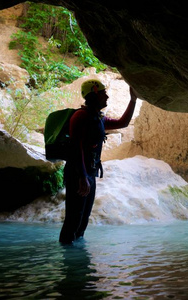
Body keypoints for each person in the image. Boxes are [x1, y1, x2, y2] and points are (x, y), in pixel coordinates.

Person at [59, 79, 137, 244]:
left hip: (89, 174)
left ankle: (78, 258)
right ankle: (67, 260)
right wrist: (82, 177)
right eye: (103, 93)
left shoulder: (98, 118)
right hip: (78, 173)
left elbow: (123, 123)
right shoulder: (80, 116)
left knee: (84, 218)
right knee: (74, 217)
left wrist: (133, 100)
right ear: (94, 92)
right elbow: (76, 147)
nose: (107, 97)